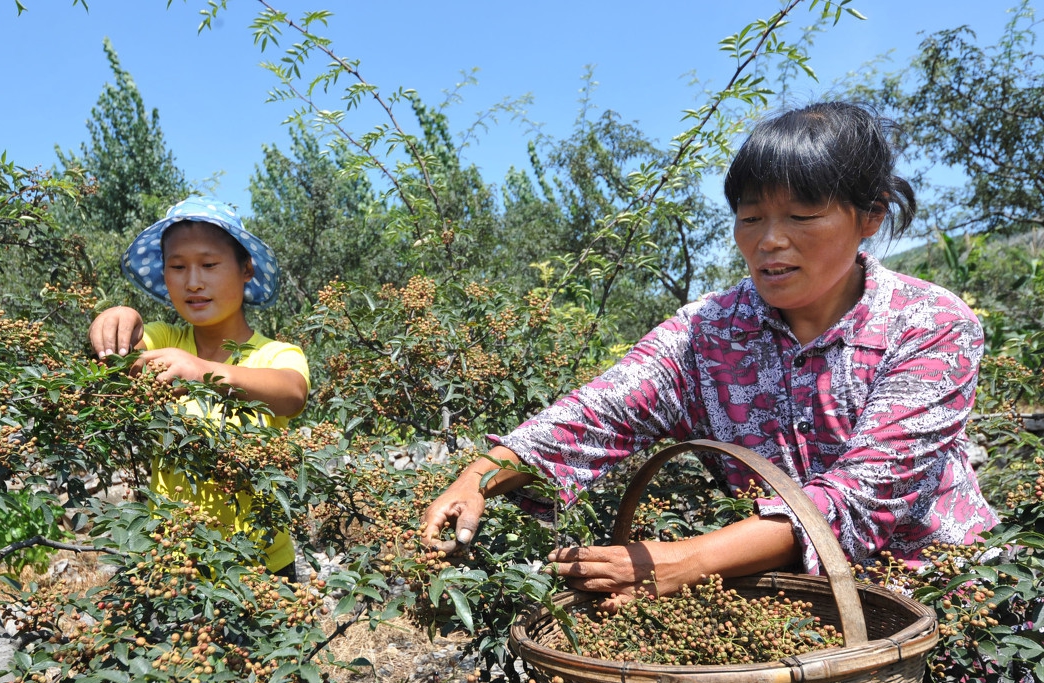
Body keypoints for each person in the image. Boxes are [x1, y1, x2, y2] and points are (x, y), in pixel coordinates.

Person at [422, 102, 999, 605]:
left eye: (801, 216)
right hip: (793, 614)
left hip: (945, 604)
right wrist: (480, 475)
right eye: (750, 218)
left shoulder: (929, 325)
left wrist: (685, 560)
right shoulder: (709, 332)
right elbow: (603, 411)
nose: (769, 240)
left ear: (869, 216)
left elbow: (865, 494)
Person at [90, 197, 306, 683]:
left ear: (245, 271)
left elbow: (290, 393)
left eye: (210, 264)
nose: (193, 281)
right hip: (174, 581)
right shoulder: (158, 339)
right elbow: (113, 340)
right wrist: (111, 319)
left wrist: (207, 374)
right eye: (176, 266)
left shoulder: (274, 353)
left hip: (264, 584)